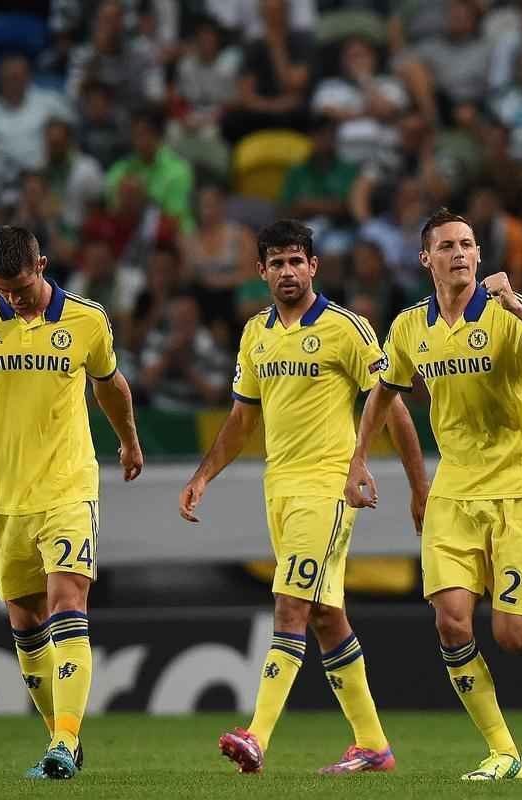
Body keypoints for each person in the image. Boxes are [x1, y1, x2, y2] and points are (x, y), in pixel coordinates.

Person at [345, 208, 522, 781]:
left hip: (520, 486)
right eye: (447, 246)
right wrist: (359, 459)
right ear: (425, 259)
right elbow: (384, 393)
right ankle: (504, 753)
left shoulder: (507, 312)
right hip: (454, 492)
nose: (459, 253)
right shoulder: (410, 326)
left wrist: (517, 306)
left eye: (467, 244)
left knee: (512, 634)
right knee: (453, 623)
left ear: (480, 255)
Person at [178, 219, 426, 775]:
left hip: (328, 488)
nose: (288, 272)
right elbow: (242, 420)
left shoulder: (348, 329)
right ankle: (373, 746)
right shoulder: (255, 334)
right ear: (260, 270)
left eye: (297, 261)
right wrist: (203, 476)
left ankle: (256, 735)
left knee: (290, 606)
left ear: (314, 266)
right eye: (277, 263)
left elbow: (392, 405)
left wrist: (418, 485)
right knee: (325, 617)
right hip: (280, 490)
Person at [0, 225, 143, 780]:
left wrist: (127, 439)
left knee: (66, 602)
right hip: (6, 495)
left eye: (21, 287)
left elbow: (111, 384)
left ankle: (64, 740)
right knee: (25, 623)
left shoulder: (86, 319)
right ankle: (64, 742)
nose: (14, 299)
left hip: (68, 486)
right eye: (2, 289)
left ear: (42, 265)